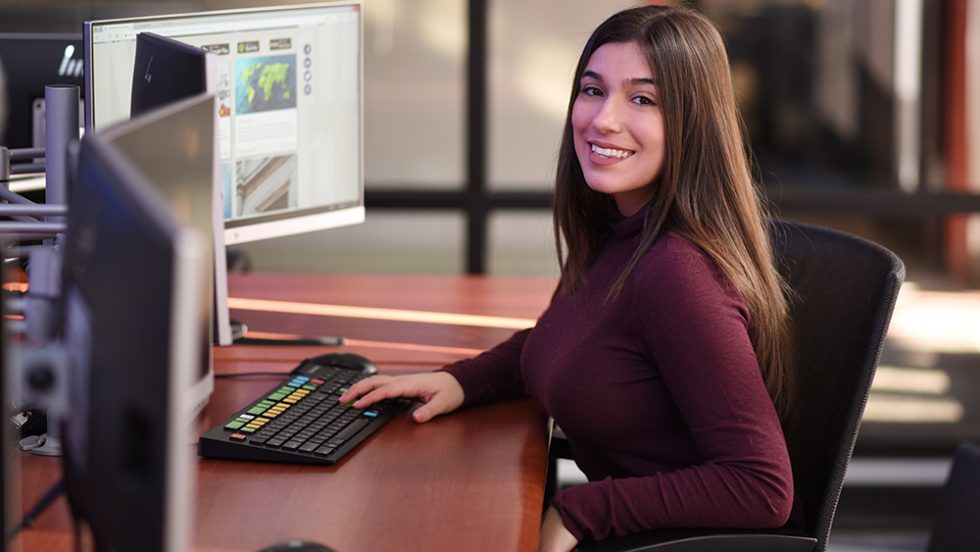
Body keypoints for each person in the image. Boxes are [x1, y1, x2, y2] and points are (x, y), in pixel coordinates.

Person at [340, 5, 796, 551]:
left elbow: (762, 487)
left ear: (694, 123)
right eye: (592, 90)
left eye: (643, 99)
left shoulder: (676, 274)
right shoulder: (614, 224)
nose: (602, 119)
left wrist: (580, 511)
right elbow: (569, 338)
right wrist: (462, 380)